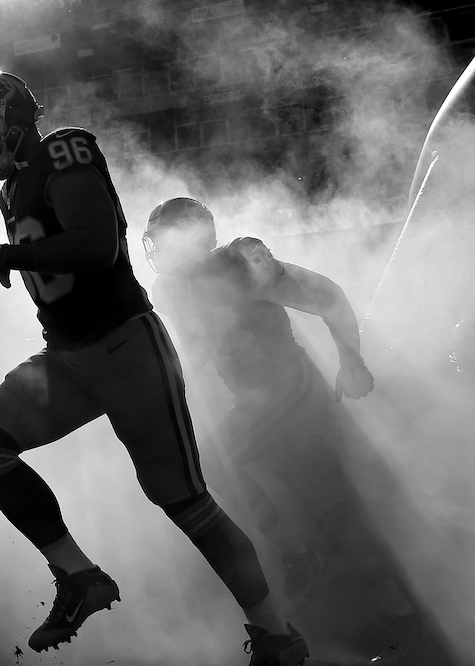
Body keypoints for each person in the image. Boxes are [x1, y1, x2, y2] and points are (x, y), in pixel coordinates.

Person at [0, 71, 305, 664]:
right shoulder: (12, 191)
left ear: (13, 116)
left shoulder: (66, 149)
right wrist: (7, 260)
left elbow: (96, 246)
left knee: (184, 500)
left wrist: (8, 253)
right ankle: (79, 577)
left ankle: (276, 635)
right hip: (67, 355)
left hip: (126, 347)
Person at [143, 198, 431, 656]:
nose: (159, 250)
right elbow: (198, 356)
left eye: (166, 238)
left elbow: (327, 295)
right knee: (330, 511)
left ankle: (296, 554)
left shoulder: (238, 261)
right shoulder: (168, 289)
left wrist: (351, 360)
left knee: (210, 465)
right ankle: (397, 614)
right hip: (256, 403)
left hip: (291, 390)